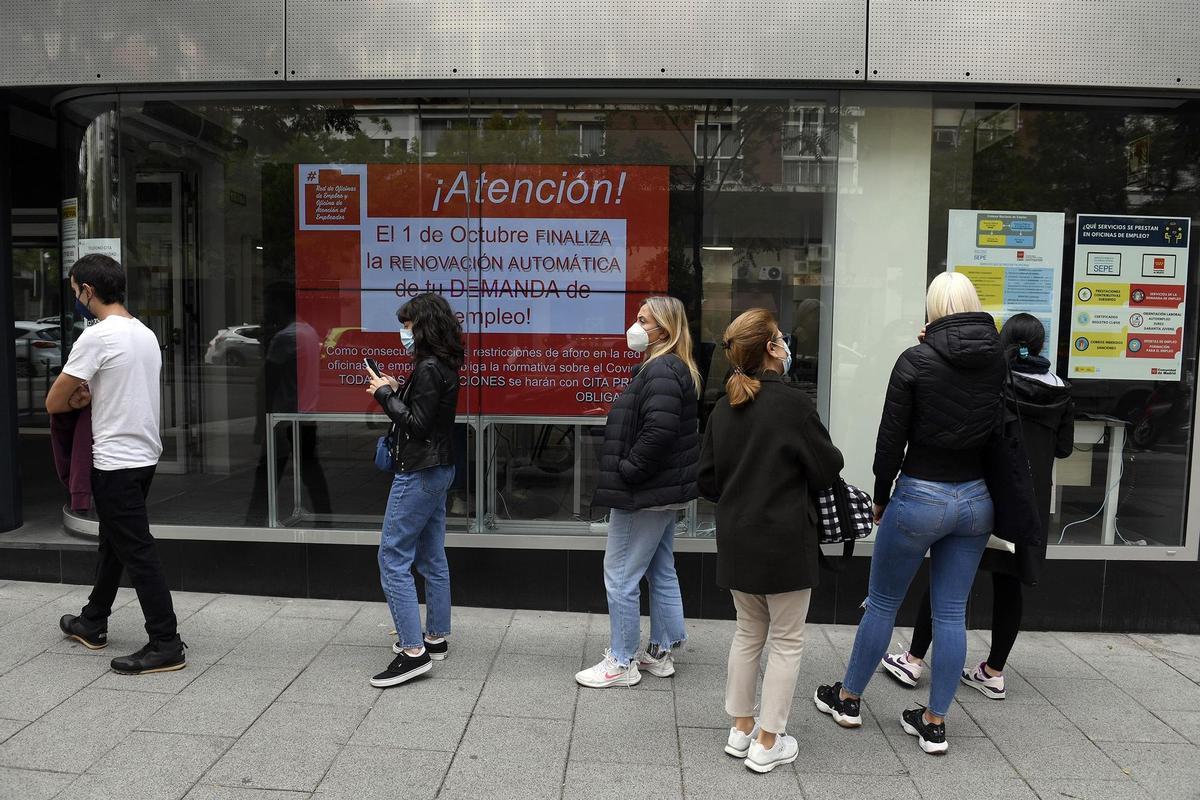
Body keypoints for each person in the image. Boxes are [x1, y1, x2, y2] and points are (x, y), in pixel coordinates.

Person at [813, 272, 1004, 755]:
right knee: (952, 612)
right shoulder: (997, 361)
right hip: (977, 499)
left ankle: (849, 698)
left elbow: (889, 440)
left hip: (920, 494)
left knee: (882, 602)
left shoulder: (915, 360)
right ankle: (935, 722)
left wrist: (880, 495)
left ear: (931, 311)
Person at [883, 312, 1074, 699]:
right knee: (1009, 584)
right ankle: (993, 672)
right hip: (1026, 501)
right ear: (1041, 347)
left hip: (982, 491)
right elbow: (1065, 448)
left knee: (949, 583)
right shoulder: (1061, 391)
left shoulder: (997, 382)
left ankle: (915, 659)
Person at [699, 309, 843, 773]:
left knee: (747, 634)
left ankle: (741, 728)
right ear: (770, 348)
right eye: (781, 337)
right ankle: (768, 739)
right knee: (786, 641)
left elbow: (706, 479)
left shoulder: (724, 407)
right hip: (785, 539)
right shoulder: (794, 405)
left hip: (737, 537)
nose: (786, 343)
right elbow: (827, 467)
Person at [46, 254, 187, 675]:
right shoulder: (144, 333)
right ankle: (93, 620)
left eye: (76, 292)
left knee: (137, 550)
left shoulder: (97, 337)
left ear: (88, 290)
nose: (76, 299)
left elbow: (54, 401)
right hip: (144, 454)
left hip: (114, 460)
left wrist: (81, 397)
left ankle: (166, 642)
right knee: (115, 540)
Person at [578, 296, 701, 688]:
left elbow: (659, 433)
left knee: (619, 577)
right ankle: (660, 653)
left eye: (643, 320)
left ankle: (622, 660)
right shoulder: (669, 366)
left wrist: (629, 472)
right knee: (660, 570)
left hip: (644, 493)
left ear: (662, 330)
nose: (635, 325)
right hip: (660, 492)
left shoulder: (662, 369)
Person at [366, 293, 462, 688]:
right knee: (431, 555)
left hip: (419, 472)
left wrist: (384, 395)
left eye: (407, 325)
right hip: (439, 468)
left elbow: (418, 426)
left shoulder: (426, 367)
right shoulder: (443, 364)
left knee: (392, 557)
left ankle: (412, 652)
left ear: (422, 326)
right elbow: (428, 414)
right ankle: (435, 638)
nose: (403, 332)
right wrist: (394, 388)